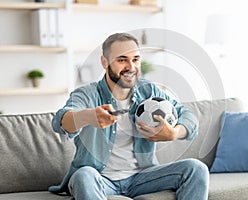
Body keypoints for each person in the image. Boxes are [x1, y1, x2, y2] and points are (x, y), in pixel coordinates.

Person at [49, 32, 209, 200]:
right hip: (100, 179)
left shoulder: (149, 91)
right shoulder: (87, 94)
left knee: (196, 168)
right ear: (105, 62)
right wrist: (88, 116)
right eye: (122, 60)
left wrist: (174, 132)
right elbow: (59, 121)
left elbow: (188, 115)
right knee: (83, 176)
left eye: (135, 59)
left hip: (142, 177)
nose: (131, 67)